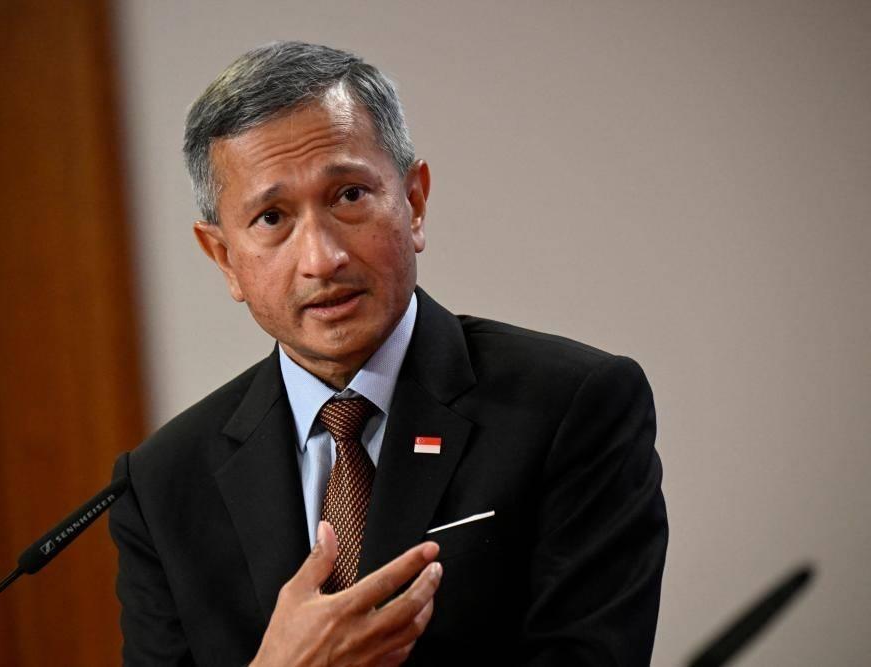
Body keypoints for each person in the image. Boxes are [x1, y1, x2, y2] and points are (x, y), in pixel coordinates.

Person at [109, 41, 667, 666]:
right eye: (271, 218)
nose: (322, 259)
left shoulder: (571, 407)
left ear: (414, 203)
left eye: (349, 195)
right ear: (224, 258)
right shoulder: (162, 486)